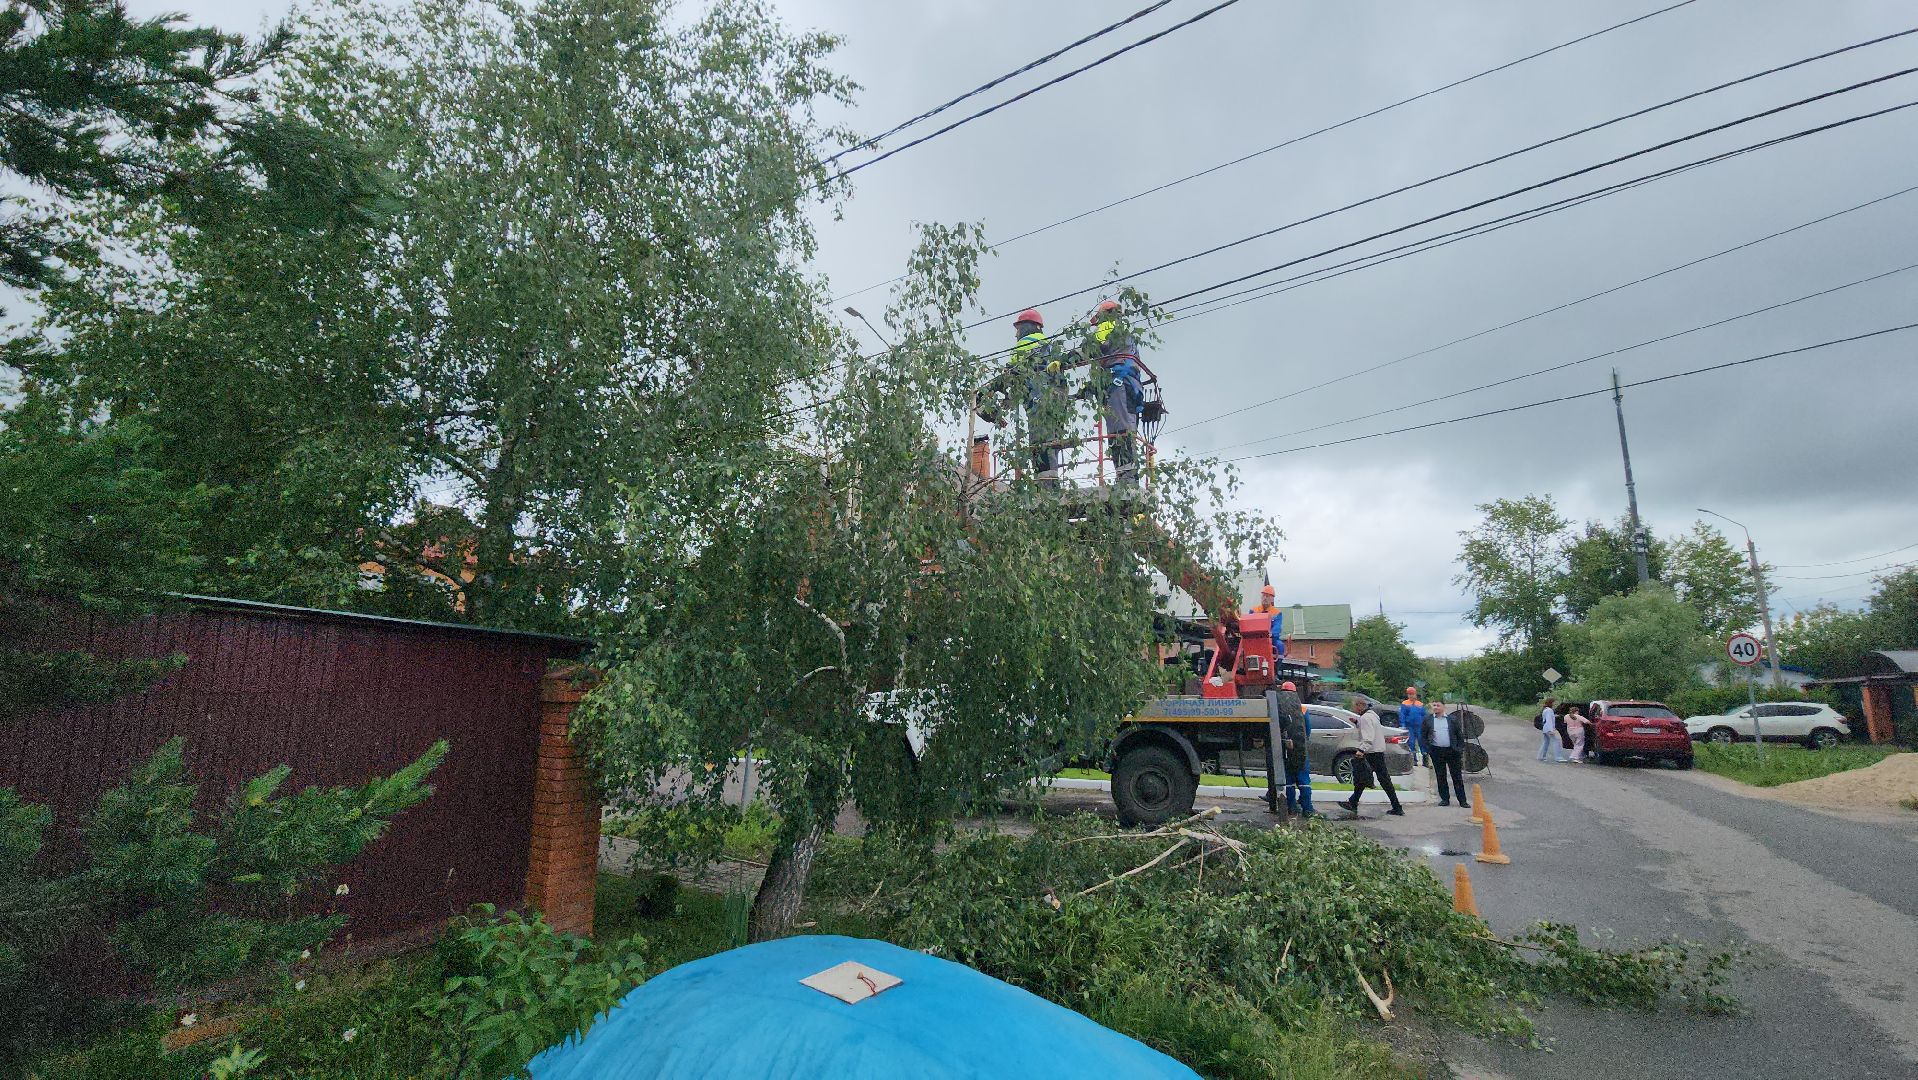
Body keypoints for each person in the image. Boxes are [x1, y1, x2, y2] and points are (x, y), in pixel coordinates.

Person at [1010, 308, 1066, 486]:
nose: (1016, 334)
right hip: (1057, 401)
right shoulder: (1051, 346)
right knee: (1053, 441)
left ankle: (1045, 485)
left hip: (1037, 400)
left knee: (1039, 443)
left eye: (1018, 329)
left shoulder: (1024, 344)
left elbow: (1012, 374)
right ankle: (1052, 482)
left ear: (1027, 327)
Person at [1090, 299, 1143, 486]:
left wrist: (1063, 362)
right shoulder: (1127, 335)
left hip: (1117, 384)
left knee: (1118, 430)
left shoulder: (1107, 327)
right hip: (1130, 385)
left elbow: (1088, 349)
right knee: (1126, 428)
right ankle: (1128, 475)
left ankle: (1126, 477)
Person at [1339, 701, 1403, 817]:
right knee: (1367, 777)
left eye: (1355, 706)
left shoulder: (1365, 718)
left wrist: (1362, 749)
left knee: (1368, 777)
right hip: (1377, 750)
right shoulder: (1372, 716)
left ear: (1360, 706)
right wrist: (1357, 723)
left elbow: (1368, 736)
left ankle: (1397, 806)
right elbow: (1371, 729)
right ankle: (1353, 802)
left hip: (1371, 752)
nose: (1354, 708)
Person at [1275, 680, 1314, 817]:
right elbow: (1307, 731)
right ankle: (1308, 809)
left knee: (1289, 780)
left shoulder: (1278, 707)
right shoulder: (1303, 709)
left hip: (1285, 749)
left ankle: (1291, 807)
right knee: (1303, 780)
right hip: (1301, 749)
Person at [1425, 701, 1469, 808]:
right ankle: (1445, 799)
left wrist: (1459, 749)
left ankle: (1462, 800)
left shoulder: (1452, 720)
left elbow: (1459, 735)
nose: (1435, 707)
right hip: (1436, 751)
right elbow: (1423, 735)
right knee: (1440, 775)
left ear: (1443, 707)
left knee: (1456, 776)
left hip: (1452, 751)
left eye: (1438, 705)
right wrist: (1428, 749)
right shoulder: (1428, 720)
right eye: (1434, 705)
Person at [1398, 686, 1428, 767]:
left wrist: (1426, 725)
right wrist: (1403, 725)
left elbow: (1424, 715)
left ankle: (1425, 760)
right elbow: (1402, 715)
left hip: (1420, 727)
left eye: (1412, 694)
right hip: (1409, 727)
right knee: (1411, 743)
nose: (1411, 696)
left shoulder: (1420, 704)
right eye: (1409, 694)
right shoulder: (1405, 704)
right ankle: (1413, 760)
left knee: (1422, 742)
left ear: (1415, 694)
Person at [1535, 697, 1559, 762]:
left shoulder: (1546, 709)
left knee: (1546, 742)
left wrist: (1554, 716)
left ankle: (1541, 756)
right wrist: (1551, 730)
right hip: (1548, 728)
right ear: (1551, 703)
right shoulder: (1549, 710)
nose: (1555, 703)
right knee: (1555, 741)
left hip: (1545, 728)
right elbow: (1549, 720)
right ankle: (1558, 757)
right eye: (1554, 702)